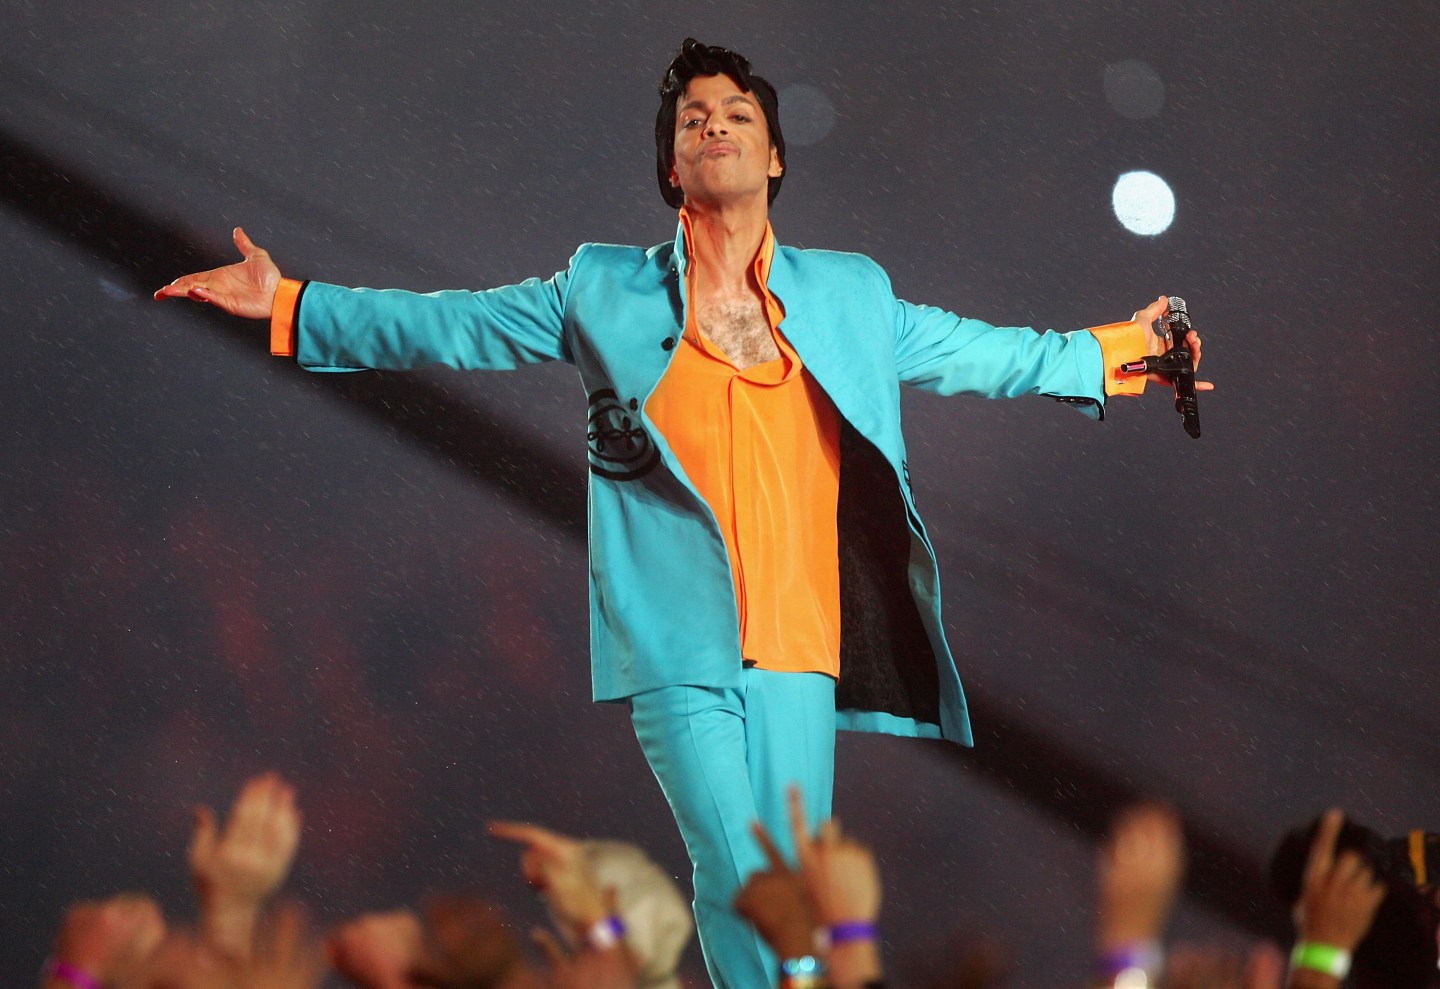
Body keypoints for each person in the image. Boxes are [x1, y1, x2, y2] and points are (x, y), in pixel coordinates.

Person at [154, 37, 1209, 988]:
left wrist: (1128, 346)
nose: (714, 127)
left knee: (787, 884)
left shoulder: (850, 294)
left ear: (775, 158)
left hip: (801, 644)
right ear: (672, 166)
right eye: (693, 120)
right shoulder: (602, 289)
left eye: (737, 115)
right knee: (738, 864)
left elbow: (990, 351)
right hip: (674, 637)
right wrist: (289, 303)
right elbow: (456, 326)